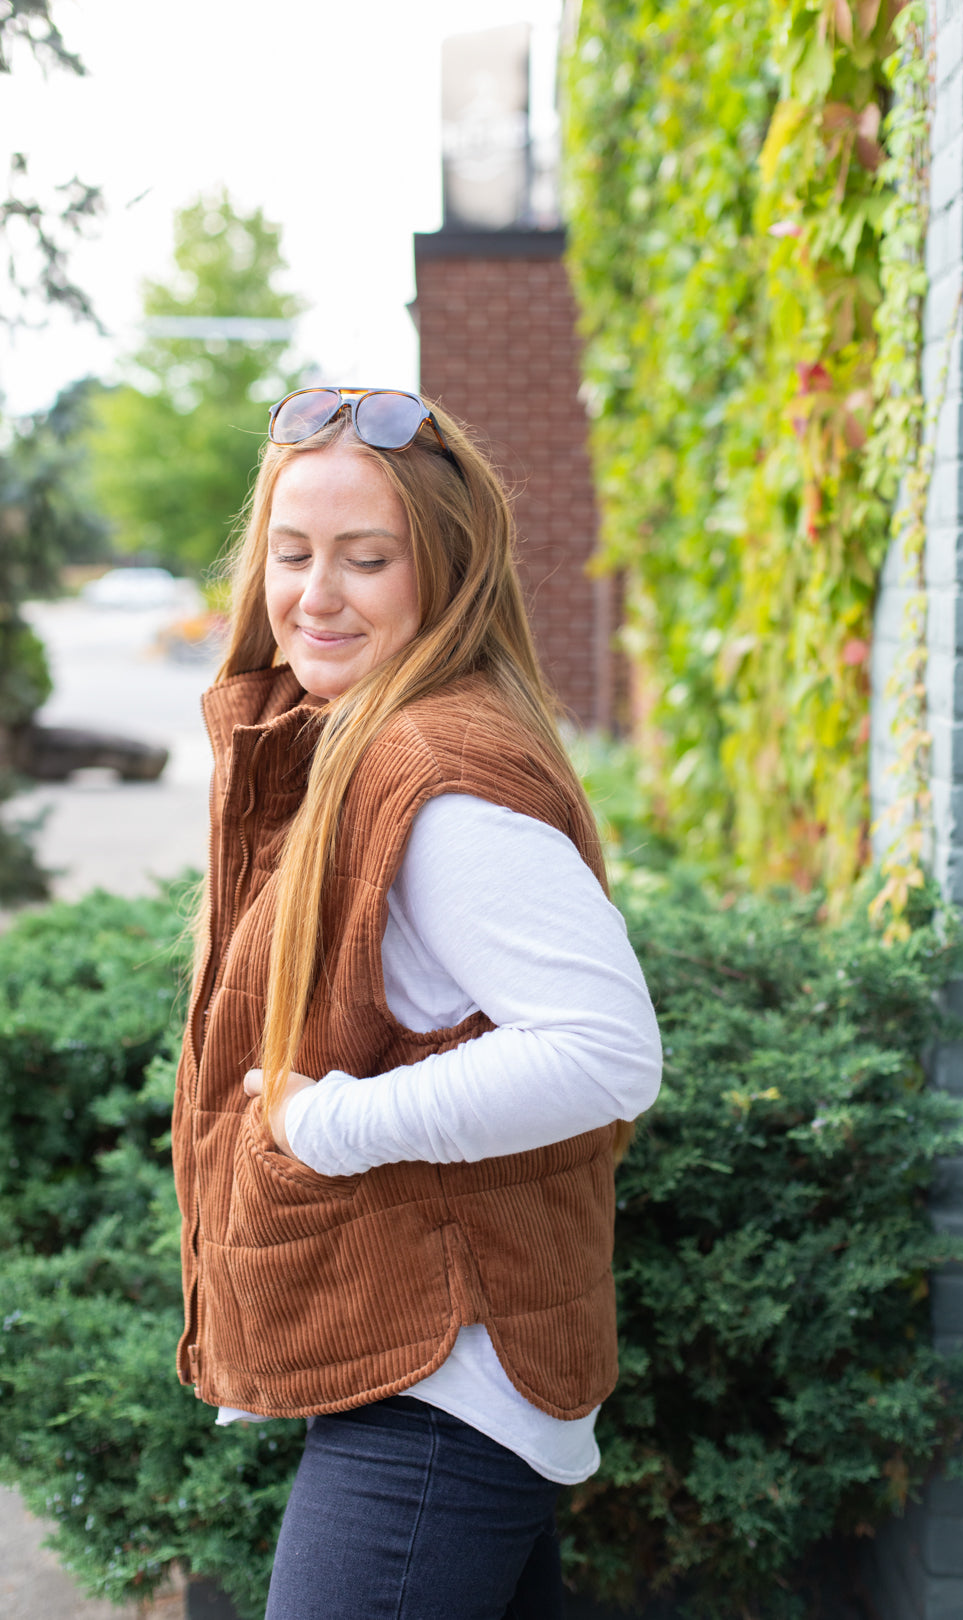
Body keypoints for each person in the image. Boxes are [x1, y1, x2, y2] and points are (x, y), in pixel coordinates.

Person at [171, 386, 663, 1620]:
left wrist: (329, 1123)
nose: (315, 594)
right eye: (292, 553)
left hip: (444, 1380)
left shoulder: (431, 776)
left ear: (442, 573)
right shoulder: (357, 737)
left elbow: (605, 1054)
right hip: (425, 1355)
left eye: (365, 558)